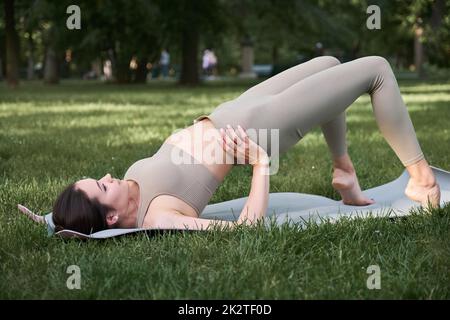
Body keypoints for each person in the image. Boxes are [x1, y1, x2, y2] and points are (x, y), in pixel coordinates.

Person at [50, 55, 441, 234]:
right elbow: (244, 230)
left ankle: (345, 172)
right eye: (101, 186)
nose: (106, 176)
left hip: (235, 108)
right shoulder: (158, 217)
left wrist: (52, 220)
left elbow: (75, 220)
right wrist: (258, 163)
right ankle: (422, 180)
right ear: (114, 218)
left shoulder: (123, 193)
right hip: (259, 130)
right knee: (377, 70)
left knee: (330, 63)